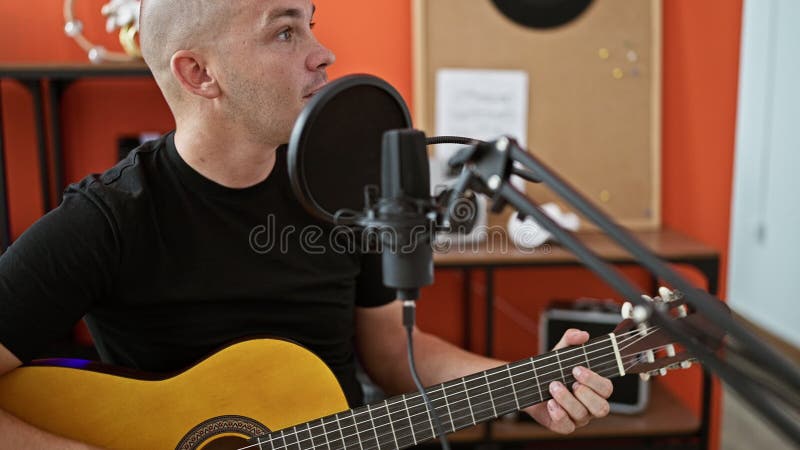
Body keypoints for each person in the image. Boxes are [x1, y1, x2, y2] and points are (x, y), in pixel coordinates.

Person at [0, 0, 613, 448]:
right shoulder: (109, 218)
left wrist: (524, 385)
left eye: (310, 25)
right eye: (285, 32)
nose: (323, 54)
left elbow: (393, 353)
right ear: (198, 74)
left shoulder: (343, 190)